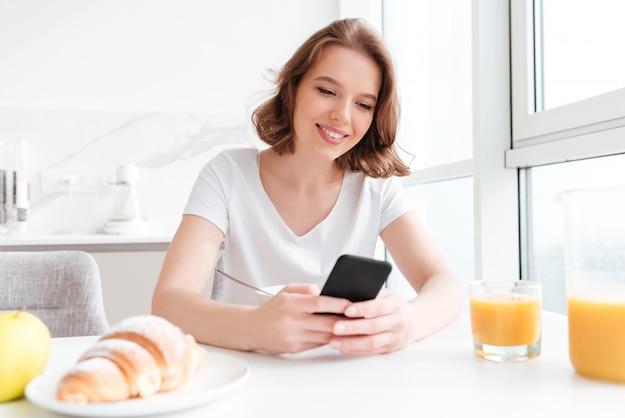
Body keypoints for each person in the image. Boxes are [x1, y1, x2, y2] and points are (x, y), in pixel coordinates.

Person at [152, 17, 463, 356]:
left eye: (363, 104)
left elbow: (446, 286)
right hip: (246, 373)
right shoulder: (227, 174)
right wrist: (254, 327)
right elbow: (169, 302)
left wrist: (409, 321)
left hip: (340, 375)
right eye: (327, 91)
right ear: (293, 89)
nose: (342, 115)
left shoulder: (376, 188)